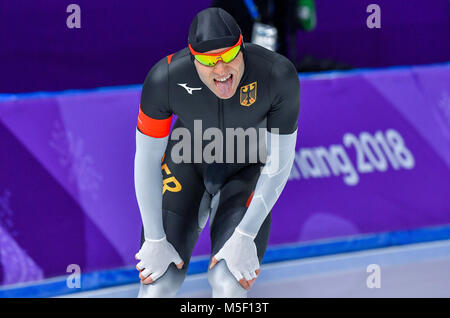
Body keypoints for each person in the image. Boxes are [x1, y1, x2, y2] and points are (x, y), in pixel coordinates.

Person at [134, 7, 300, 298]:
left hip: (244, 171)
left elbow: (280, 162)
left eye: (229, 56)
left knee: (228, 282)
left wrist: (246, 234)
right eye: (209, 61)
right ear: (193, 58)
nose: (221, 71)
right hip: (187, 165)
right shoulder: (165, 79)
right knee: (159, 283)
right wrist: (153, 239)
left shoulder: (277, 74)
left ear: (243, 48)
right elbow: (146, 160)